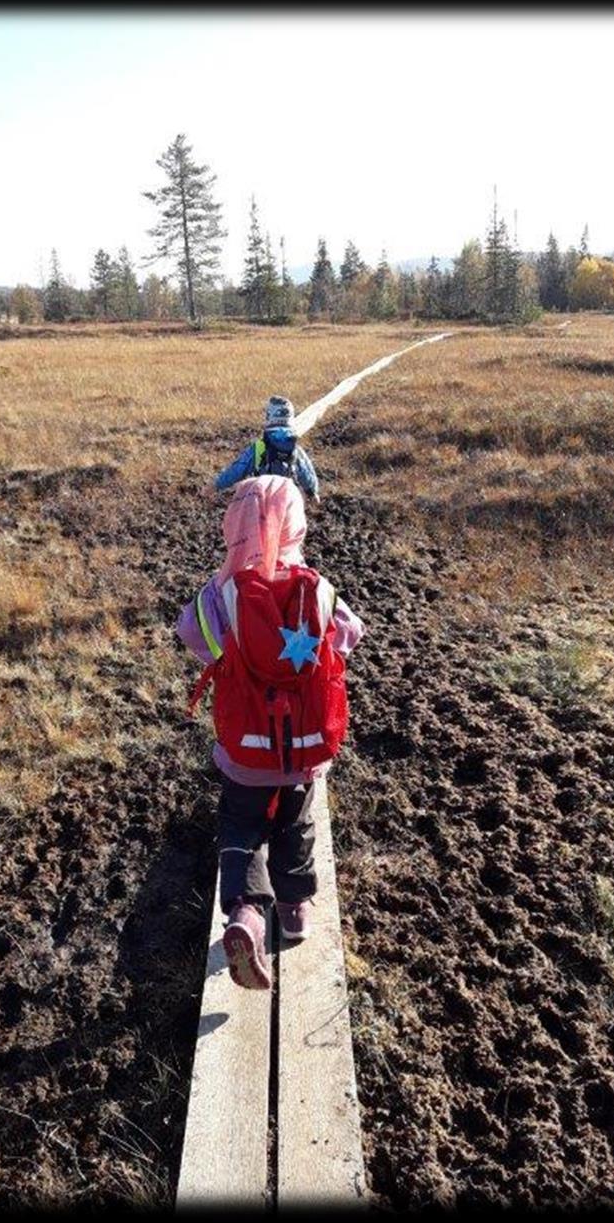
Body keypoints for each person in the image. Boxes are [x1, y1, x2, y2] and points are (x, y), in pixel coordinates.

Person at [176, 475, 364, 990]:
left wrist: (233, 656)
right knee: (296, 821)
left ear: (232, 528)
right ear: (298, 526)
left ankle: (246, 914)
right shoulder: (318, 590)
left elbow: (189, 632)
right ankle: (295, 907)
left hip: (244, 748)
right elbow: (350, 633)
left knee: (240, 825)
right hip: (303, 746)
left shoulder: (222, 593)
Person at [214, 396, 321, 503]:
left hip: (261, 498)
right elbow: (306, 472)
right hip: (286, 498)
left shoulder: (260, 447)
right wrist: (313, 492)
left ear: (269, 416)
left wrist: (216, 485)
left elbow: (238, 469)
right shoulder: (294, 448)